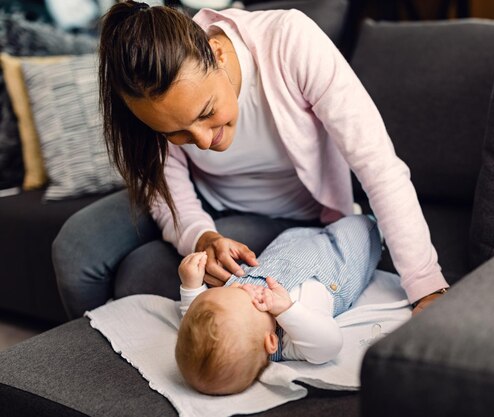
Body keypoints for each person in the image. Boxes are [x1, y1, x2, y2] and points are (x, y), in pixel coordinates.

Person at [52, 1, 448, 320]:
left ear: (218, 53)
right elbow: (165, 183)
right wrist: (200, 236)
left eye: (206, 112)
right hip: (203, 201)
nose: (203, 141)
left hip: (287, 213)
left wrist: (427, 287)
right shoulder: (148, 99)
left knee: (144, 273)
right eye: (177, 133)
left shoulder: (290, 42)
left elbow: (378, 165)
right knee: (75, 249)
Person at [176, 214, 381, 395]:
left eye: (230, 289)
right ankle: (377, 231)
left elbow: (196, 318)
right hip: (339, 257)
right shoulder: (289, 343)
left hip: (289, 245)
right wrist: (287, 310)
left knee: (308, 230)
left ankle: (329, 218)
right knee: (362, 227)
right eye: (248, 298)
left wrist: (191, 286)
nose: (241, 286)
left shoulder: (238, 307)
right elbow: (329, 345)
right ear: (271, 341)